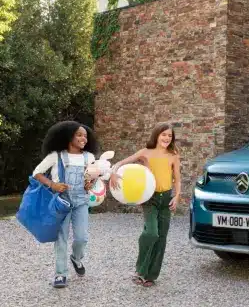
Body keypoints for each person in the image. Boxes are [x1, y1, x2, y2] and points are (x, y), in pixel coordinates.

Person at [109, 122, 182, 287]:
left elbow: (177, 178)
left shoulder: (173, 155)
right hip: (150, 198)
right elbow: (121, 163)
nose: (166, 138)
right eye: (164, 135)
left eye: (170, 135)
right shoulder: (145, 153)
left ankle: (150, 276)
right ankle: (139, 270)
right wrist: (113, 173)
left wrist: (177, 196)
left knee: (161, 238)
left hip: (166, 199)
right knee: (151, 233)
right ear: (156, 135)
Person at [32, 121, 99, 288]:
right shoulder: (56, 156)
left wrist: (91, 182)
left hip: (81, 202)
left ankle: (76, 258)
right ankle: (60, 274)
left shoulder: (89, 157)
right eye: (79, 135)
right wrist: (53, 185)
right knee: (61, 238)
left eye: (85, 135)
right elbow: (36, 173)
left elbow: (93, 176)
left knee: (82, 238)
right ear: (69, 137)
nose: (84, 138)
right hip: (61, 203)